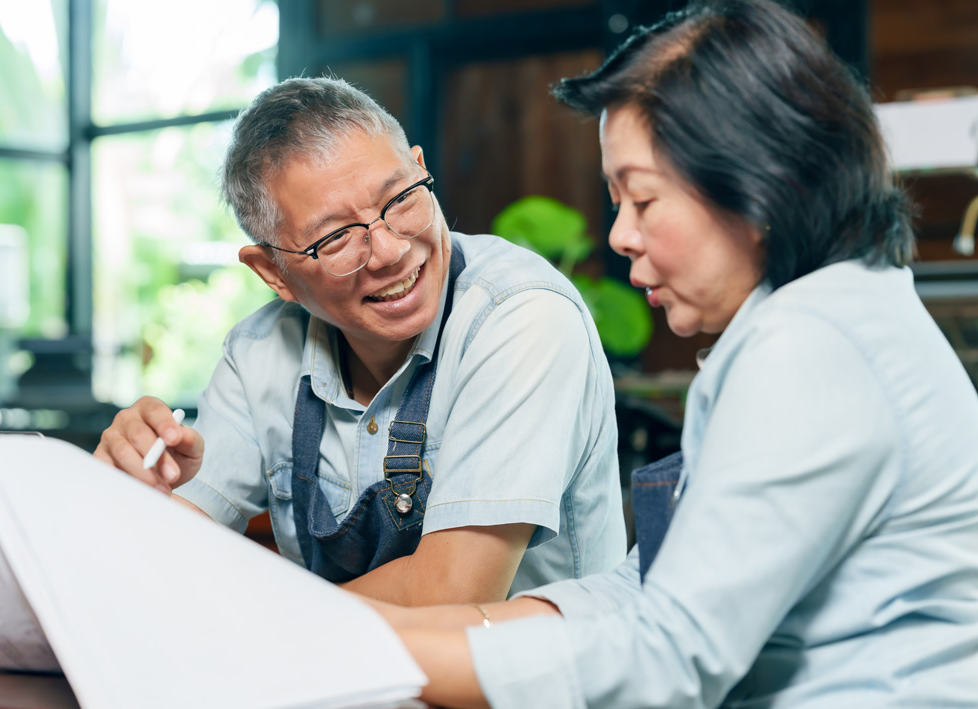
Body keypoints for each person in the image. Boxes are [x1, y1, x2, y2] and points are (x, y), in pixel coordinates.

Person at [369, 1, 978, 706]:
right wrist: (381, 628)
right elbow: (647, 586)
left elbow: (667, 654)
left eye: (643, 199)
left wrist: (363, 649)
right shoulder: (813, 322)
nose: (621, 235)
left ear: (763, 185)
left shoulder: (811, 346)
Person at [93, 77, 627, 605]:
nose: (391, 251)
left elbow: (454, 594)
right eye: (336, 237)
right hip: (342, 681)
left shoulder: (521, 315)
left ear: (420, 167)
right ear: (274, 274)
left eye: (400, 199)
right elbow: (156, 553)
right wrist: (138, 491)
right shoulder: (259, 354)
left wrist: (258, 617)